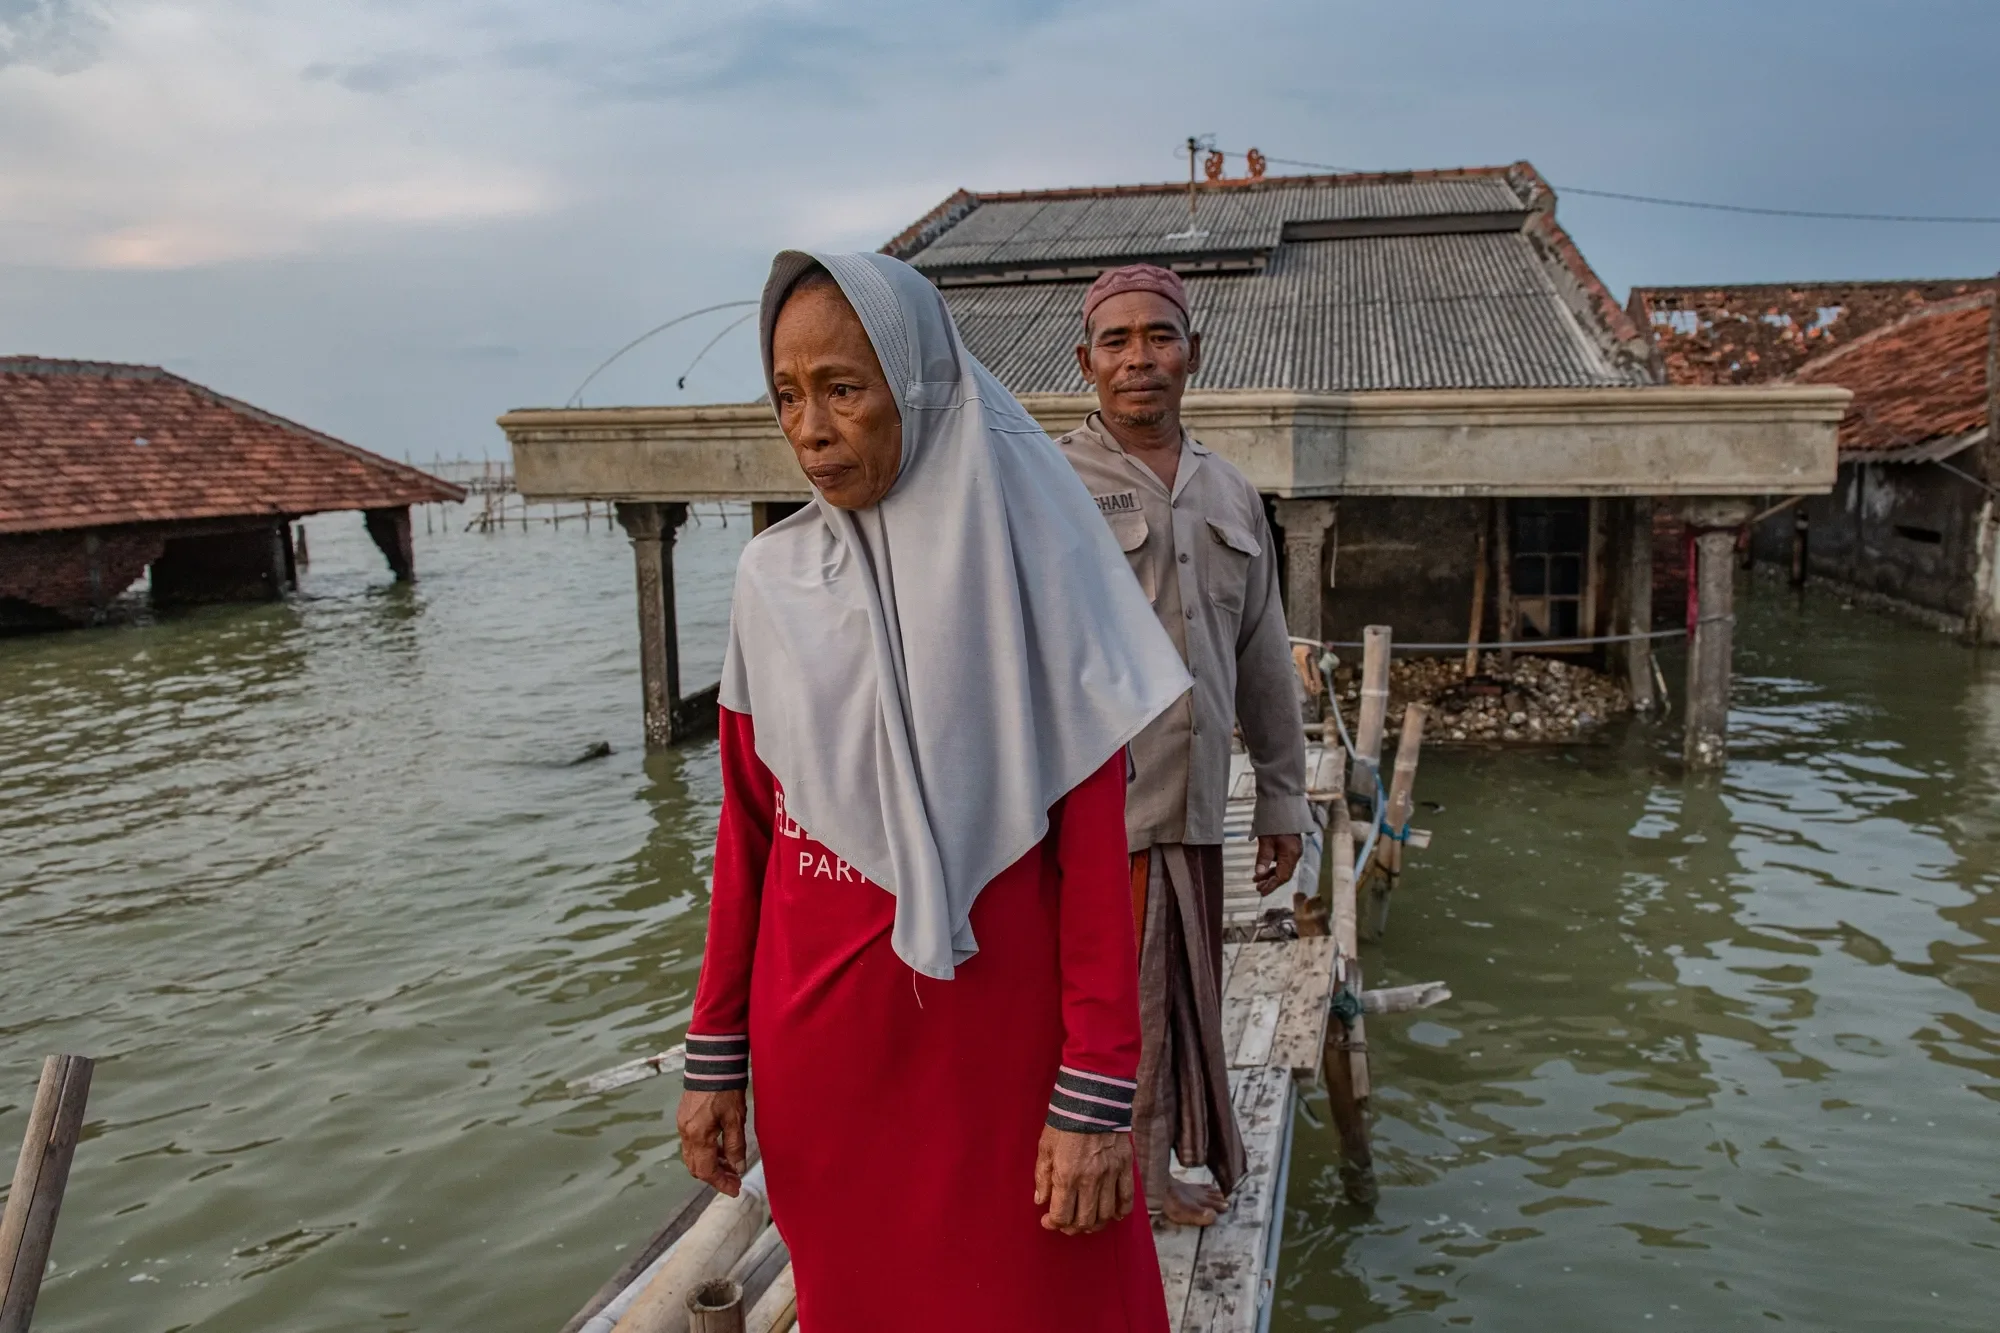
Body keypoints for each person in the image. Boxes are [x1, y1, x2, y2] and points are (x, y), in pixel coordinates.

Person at [674, 250, 1192, 1332]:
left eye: (842, 388)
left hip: (999, 1064)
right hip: (822, 1058)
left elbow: (1093, 855)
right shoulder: (770, 581)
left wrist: (1095, 1092)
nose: (809, 428)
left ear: (920, 388)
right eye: (786, 396)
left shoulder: (1034, 571)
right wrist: (714, 1059)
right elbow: (748, 831)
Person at [1056, 263, 1308, 1227]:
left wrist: (1281, 796)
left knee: (1174, 991)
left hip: (1194, 801)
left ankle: (1148, 1173)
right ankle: (1113, 1174)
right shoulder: (1049, 485)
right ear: (1086, 361)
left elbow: (1263, 659)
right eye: (1115, 341)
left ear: (1191, 353)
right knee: (1102, 1000)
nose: (1138, 359)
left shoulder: (1232, 494)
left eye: (1158, 336)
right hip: (1089, 810)